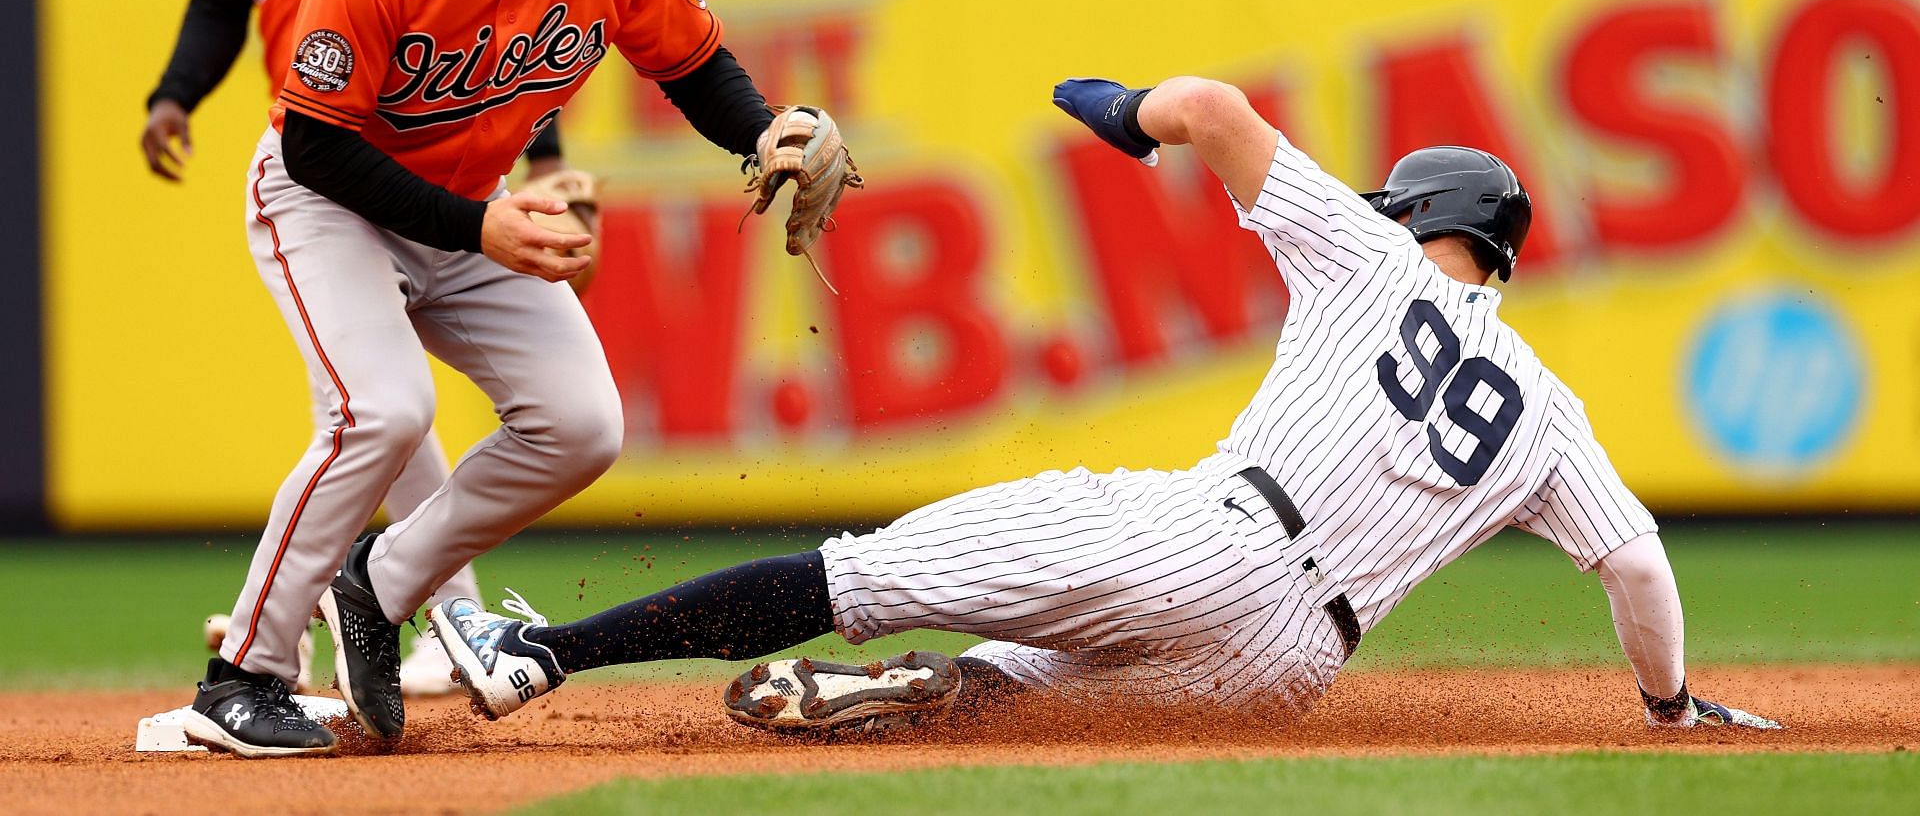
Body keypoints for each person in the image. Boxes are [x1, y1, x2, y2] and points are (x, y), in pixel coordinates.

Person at [430, 75, 1781, 736]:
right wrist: (1669, 706)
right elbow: (1638, 561)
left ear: (1417, 214)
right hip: (1292, 664)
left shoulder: (1369, 253)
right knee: (1032, 693)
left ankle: (543, 656)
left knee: (856, 568)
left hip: (1215, 533)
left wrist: (1128, 110)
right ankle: (916, 693)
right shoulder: (1549, 405)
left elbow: (1211, 105)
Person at [180, 0, 830, 759]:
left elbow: (695, 65)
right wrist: (476, 222)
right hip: (328, 201)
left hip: (466, 204)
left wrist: (760, 130)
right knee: (382, 410)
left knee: (579, 425)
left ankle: (376, 587)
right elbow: (312, 143)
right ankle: (242, 676)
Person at [141, 0, 542, 699]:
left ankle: (374, 610)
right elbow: (219, 1)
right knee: (376, 408)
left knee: (375, 410)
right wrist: (175, 92)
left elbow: (509, 6)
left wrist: (542, 161)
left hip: (431, 149)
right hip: (322, 164)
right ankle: (427, 615)